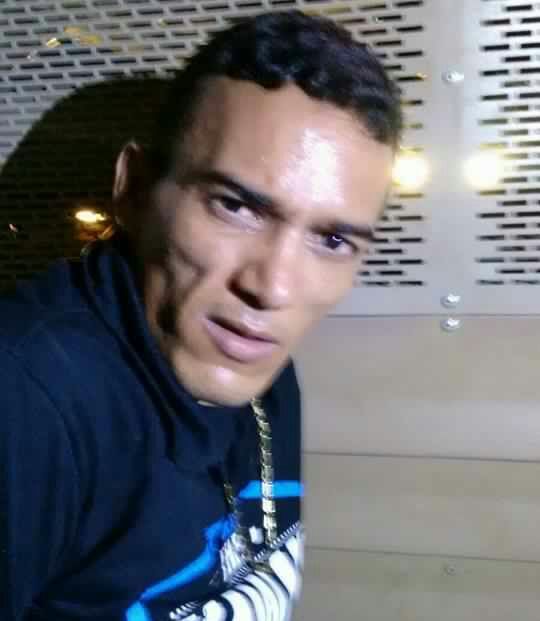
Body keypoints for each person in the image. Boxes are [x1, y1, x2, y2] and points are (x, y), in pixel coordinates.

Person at [0, 10, 401, 621]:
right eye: (235, 206)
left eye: (332, 240)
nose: (272, 287)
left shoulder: (257, 365)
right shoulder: (27, 401)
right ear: (135, 191)